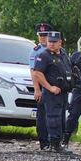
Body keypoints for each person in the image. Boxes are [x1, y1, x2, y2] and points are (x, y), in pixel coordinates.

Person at [32, 31, 73, 153]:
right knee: (53, 117)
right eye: (50, 42)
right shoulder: (44, 55)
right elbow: (37, 73)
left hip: (63, 92)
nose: (52, 44)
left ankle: (58, 143)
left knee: (61, 118)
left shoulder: (63, 54)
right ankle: (54, 144)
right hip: (51, 93)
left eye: (55, 42)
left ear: (60, 42)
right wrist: (49, 87)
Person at [30, 22, 53, 151]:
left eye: (45, 35)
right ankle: (44, 142)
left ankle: (54, 140)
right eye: (41, 35)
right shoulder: (36, 51)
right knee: (42, 115)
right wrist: (37, 89)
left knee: (54, 115)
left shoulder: (55, 49)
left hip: (54, 86)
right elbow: (34, 72)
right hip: (42, 87)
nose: (43, 38)